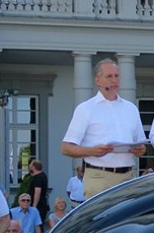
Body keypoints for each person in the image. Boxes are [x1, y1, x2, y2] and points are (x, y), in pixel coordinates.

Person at [61, 58, 147, 199]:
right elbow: (66, 147)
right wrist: (92, 151)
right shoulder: (86, 109)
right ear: (97, 80)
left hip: (127, 177)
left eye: (116, 76)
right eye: (109, 76)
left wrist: (140, 149)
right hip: (99, 177)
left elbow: (141, 144)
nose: (114, 80)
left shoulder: (130, 108)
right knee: (101, 220)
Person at [27, 158, 49, 223]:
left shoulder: (38, 178)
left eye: (30, 165)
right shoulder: (42, 176)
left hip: (39, 206)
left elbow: (37, 192)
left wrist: (34, 207)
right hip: (41, 205)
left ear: (34, 167)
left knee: (36, 224)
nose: (29, 166)